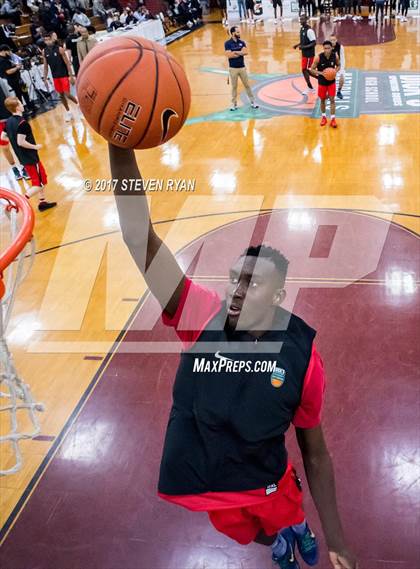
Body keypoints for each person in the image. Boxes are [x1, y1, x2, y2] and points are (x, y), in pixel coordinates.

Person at [108, 143, 358, 569]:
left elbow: (315, 452)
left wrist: (338, 538)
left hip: (267, 480)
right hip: (210, 482)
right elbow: (139, 237)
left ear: (279, 296)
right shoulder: (202, 315)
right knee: (253, 536)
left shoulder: (302, 358)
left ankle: (298, 529)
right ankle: (281, 541)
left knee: (286, 516)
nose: (239, 291)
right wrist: (120, 144)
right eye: (235, 281)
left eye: (254, 283)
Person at [1, 97, 56, 211]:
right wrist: (35, 147)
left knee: (39, 179)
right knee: (40, 183)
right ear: (17, 107)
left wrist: (13, 143)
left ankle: (42, 202)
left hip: (23, 157)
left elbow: (3, 137)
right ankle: (20, 200)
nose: (22, 105)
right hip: (30, 157)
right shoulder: (22, 123)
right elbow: (21, 142)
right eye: (20, 103)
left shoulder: (9, 122)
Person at [42, 32, 78, 121]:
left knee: (67, 94)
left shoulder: (60, 49)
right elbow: (45, 65)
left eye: (48, 39)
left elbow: (67, 63)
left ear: (52, 39)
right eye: (45, 40)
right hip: (55, 76)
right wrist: (45, 78)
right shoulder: (44, 51)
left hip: (63, 75)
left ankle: (78, 104)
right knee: (61, 95)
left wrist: (71, 76)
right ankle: (68, 112)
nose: (47, 41)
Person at [224, 26, 259, 112]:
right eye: (238, 32)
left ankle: (253, 102)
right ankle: (234, 104)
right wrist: (240, 53)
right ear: (233, 33)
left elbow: (245, 52)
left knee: (247, 85)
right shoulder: (227, 43)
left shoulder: (242, 42)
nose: (239, 34)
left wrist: (235, 52)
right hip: (233, 69)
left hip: (242, 68)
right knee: (234, 87)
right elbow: (229, 55)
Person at [0, 84, 30, 181]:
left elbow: (8, 96)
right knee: (5, 147)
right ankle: (14, 168)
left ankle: (23, 166)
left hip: (9, 118)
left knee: (18, 143)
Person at [310, 40, 340, 128]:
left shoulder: (335, 56)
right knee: (322, 100)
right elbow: (312, 69)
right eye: (325, 48)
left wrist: (335, 71)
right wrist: (321, 73)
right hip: (322, 82)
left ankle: (333, 119)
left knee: (332, 100)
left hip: (331, 82)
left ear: (332, 48)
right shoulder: (318, 57)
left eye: (328, 48)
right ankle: (323, 117)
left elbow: (339, 65)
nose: (327, 50)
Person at [0, 44, 33, 111]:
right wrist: (17, 68)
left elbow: (11, 64)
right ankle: (22, 109)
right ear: (3, 51)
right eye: (8, 51)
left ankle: (30, 106)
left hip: (19, 78)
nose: (10, 53)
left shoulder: (7, 58)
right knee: (19, 95)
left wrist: (17, 65)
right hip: (13, 80)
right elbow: (8, 71)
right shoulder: (1, 60)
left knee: (25, 91)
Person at [293, 15, 316, 95]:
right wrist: (297, 45)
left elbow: (314, 43)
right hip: (304, 54)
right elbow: (303, 41)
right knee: (304, 70)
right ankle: (310, 87)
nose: (300, 21)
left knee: (307, 70)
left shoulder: (309, 31)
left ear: (306, 20)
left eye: (302, 19)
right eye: (300, 19)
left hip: (309, 54)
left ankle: (320, 80)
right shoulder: (302, 29)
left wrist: (303, 47)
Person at [330, 34, 345, 99]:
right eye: (331, 40)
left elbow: (342, 58)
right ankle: (329, 92)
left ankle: (339, 91)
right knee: (329, 78)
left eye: (334, 40)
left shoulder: (340, 47)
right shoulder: (327, 46)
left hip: (339, 64)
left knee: (342, 77)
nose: (332, 41)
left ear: (336, 40)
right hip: (331, 64)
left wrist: (341, 69)